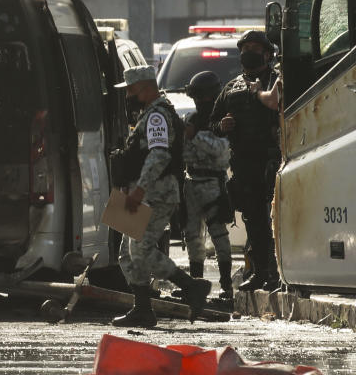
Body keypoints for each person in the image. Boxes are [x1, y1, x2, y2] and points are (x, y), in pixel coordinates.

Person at [110, 65, 210, 328]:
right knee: (126, 254)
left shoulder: (157, 116)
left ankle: (191, 286)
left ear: (144, 88)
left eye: (131, 90)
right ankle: (142, 308)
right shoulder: (148, 113)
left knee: (140, 249)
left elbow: (159, 155)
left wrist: (140, 189)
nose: (128, 95)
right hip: (138, 191)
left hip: (155, 192)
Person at [210, 29, 281, 292]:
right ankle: (260, 271)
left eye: (254, 47)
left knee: (276, 220)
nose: (248, 52)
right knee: (254, 220)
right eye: (245, 48)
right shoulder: (233, 86)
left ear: (267, 53)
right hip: (244, 163)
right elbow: (213, 121)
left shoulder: (277, 80)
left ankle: (277, 274)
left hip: (273, 161)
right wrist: (222, 125)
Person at [180, 71, 234, 300]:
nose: (200, 101)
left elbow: (221, 151)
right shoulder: (192, 120)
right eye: (197, 97)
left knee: (218, 234)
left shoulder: (222, 121)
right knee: (193, 237)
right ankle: (195, 286)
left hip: (212, 182)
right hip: (192, 182)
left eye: (203, 96)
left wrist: (196, 137)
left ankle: (226, 286)